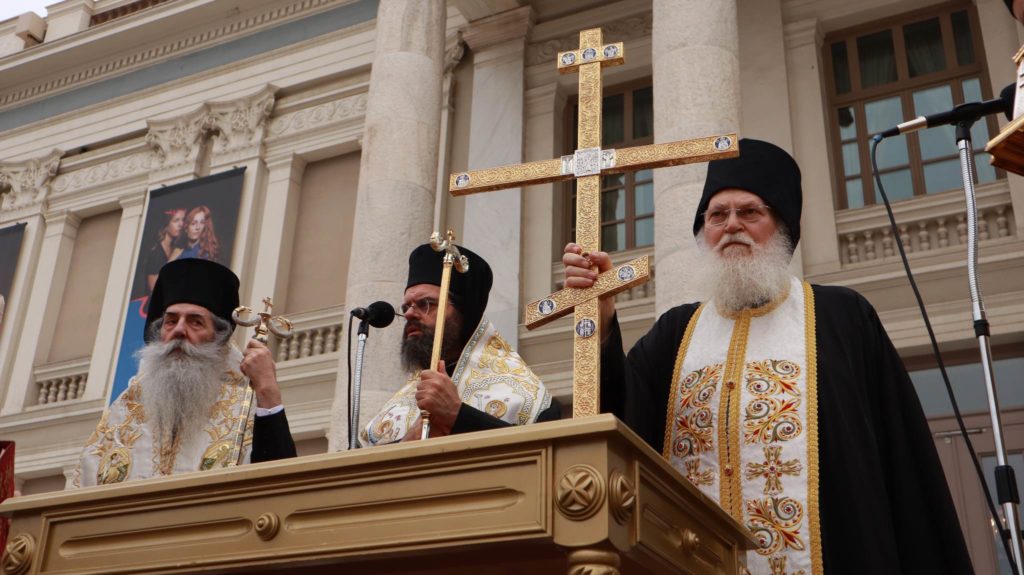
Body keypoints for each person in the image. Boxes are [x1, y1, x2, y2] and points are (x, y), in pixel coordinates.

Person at [562, 139, 973, 574]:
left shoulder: (841, 318)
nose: (731, 225)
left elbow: (903, 465)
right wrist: (603, 323)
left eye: (749, 212)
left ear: (782, 227)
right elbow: (618, 425)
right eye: (717, 215)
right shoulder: (676, 333)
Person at [74, 259, 296, 487]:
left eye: (195, 322)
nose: (179, 330)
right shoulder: (123, 414)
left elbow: (281, 487)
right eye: (171, 321)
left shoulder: (244, 408)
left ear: (218, 338)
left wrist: (267, 390)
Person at [360, 244, 561, 446]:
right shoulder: (394, 409)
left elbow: (538, 457)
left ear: (465, 314)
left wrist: (458, 415)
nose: (410, 314)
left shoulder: (524, 397)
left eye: (426, 304)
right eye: (406, 307)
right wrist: (409, 440)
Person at [144, 208, 185, 293]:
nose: (181, 224)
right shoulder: (155, 252)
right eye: (176, 220)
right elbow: (153, 288)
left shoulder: (175, 247)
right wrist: (171, 260)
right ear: (166, 225)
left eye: (183, 220)